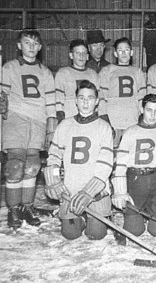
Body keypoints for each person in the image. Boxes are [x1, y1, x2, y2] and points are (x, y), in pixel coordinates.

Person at [1, 29, 57, 229]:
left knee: (33, 166)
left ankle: (27, 206)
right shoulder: (9, 68)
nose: (31, 47)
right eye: (27, 43)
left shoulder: (45, 72)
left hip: (38, 120)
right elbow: (3, 94)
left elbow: (51, 101)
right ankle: (13, 208)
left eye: (35, 44)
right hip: (16, 118)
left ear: (40, 47)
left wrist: (51, 124)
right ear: (19, 45)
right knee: (15, 165)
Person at [44, 80, 113, 240]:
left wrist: (89, 192)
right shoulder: (65, 125)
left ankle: (96, 219)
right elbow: (54, 154)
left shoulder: (104, 126)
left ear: (97, 102)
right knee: (70, 234)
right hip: (71, 188)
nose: (85, 102)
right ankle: (80, 219)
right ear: (76, 100)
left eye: (90, 98)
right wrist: (53, 179)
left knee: (96, 234)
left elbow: (105, 164)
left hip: (95, 190)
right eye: (81, 98)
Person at [111, 94, 156, 243]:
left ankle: (152, 211)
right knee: (134, 231)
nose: (153, 115)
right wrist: (120, 191)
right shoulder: (130, 132)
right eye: (149, 110)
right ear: (142, 109)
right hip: (135, 181)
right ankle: (139, 214)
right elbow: (121, 164)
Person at [98, 37, 147, 148]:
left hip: (132, 121)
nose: (124, 53)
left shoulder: (137, 72)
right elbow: (102, 98)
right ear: (115, 54)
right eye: (120, 50)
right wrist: (106, 122)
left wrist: (141, 120)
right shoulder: (107, 71)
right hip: (113, 121)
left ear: (132, 52)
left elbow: (142, 98)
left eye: (127, 50)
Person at [55, 39, 99, 122]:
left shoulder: (93, 74)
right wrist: (61, 120)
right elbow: (58, 100)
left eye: (84, 53)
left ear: (87, 56)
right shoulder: (63, 73)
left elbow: (97, 99)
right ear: (71, 55)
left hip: (89, 120)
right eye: (78, 53)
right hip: (70, 119)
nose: (81, 56)